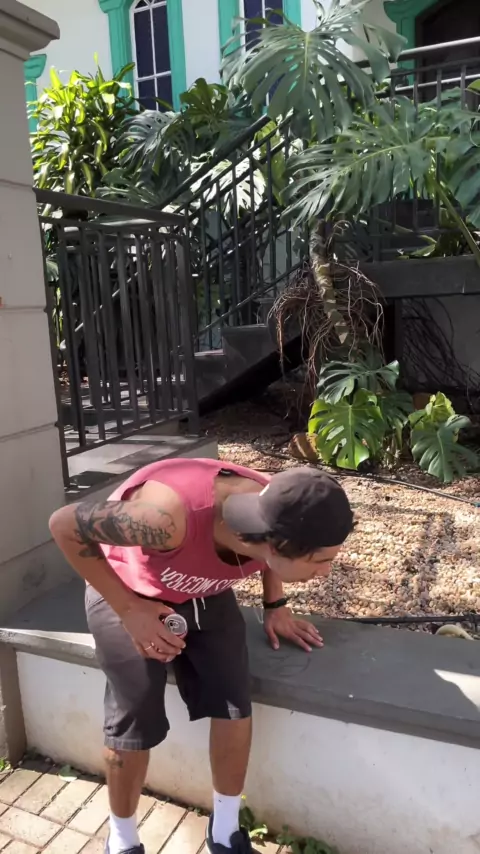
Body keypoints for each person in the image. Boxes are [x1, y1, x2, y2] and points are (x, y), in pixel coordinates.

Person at [49, 457, 353, 854]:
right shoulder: (164, 519)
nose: (327, 572)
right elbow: (64, 524)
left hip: (204, 589)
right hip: (127, 591)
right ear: (275, 544)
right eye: (320, 561)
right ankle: (122, 840)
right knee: (135, 715)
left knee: (233, 701)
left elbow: (274, 553)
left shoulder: (277, 507)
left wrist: (275, 604)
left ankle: (225, 831)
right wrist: (129, 610)